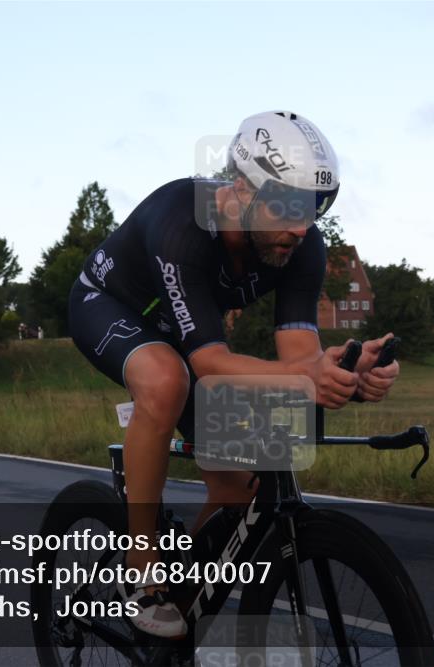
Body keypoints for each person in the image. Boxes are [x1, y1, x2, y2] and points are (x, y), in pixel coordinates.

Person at [67, 111, 399, 638]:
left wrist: (342, 374)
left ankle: (182, 589)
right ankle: (141, 567)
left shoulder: (301, 244)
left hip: (187, 330)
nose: (300, 225)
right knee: (166, 380)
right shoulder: (183, 222)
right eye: (286, 206)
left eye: (314, 208)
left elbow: (298, 354)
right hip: (110, 306)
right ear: (241, 189)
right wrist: (303, 374)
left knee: (241, 484)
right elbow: (209, 364)